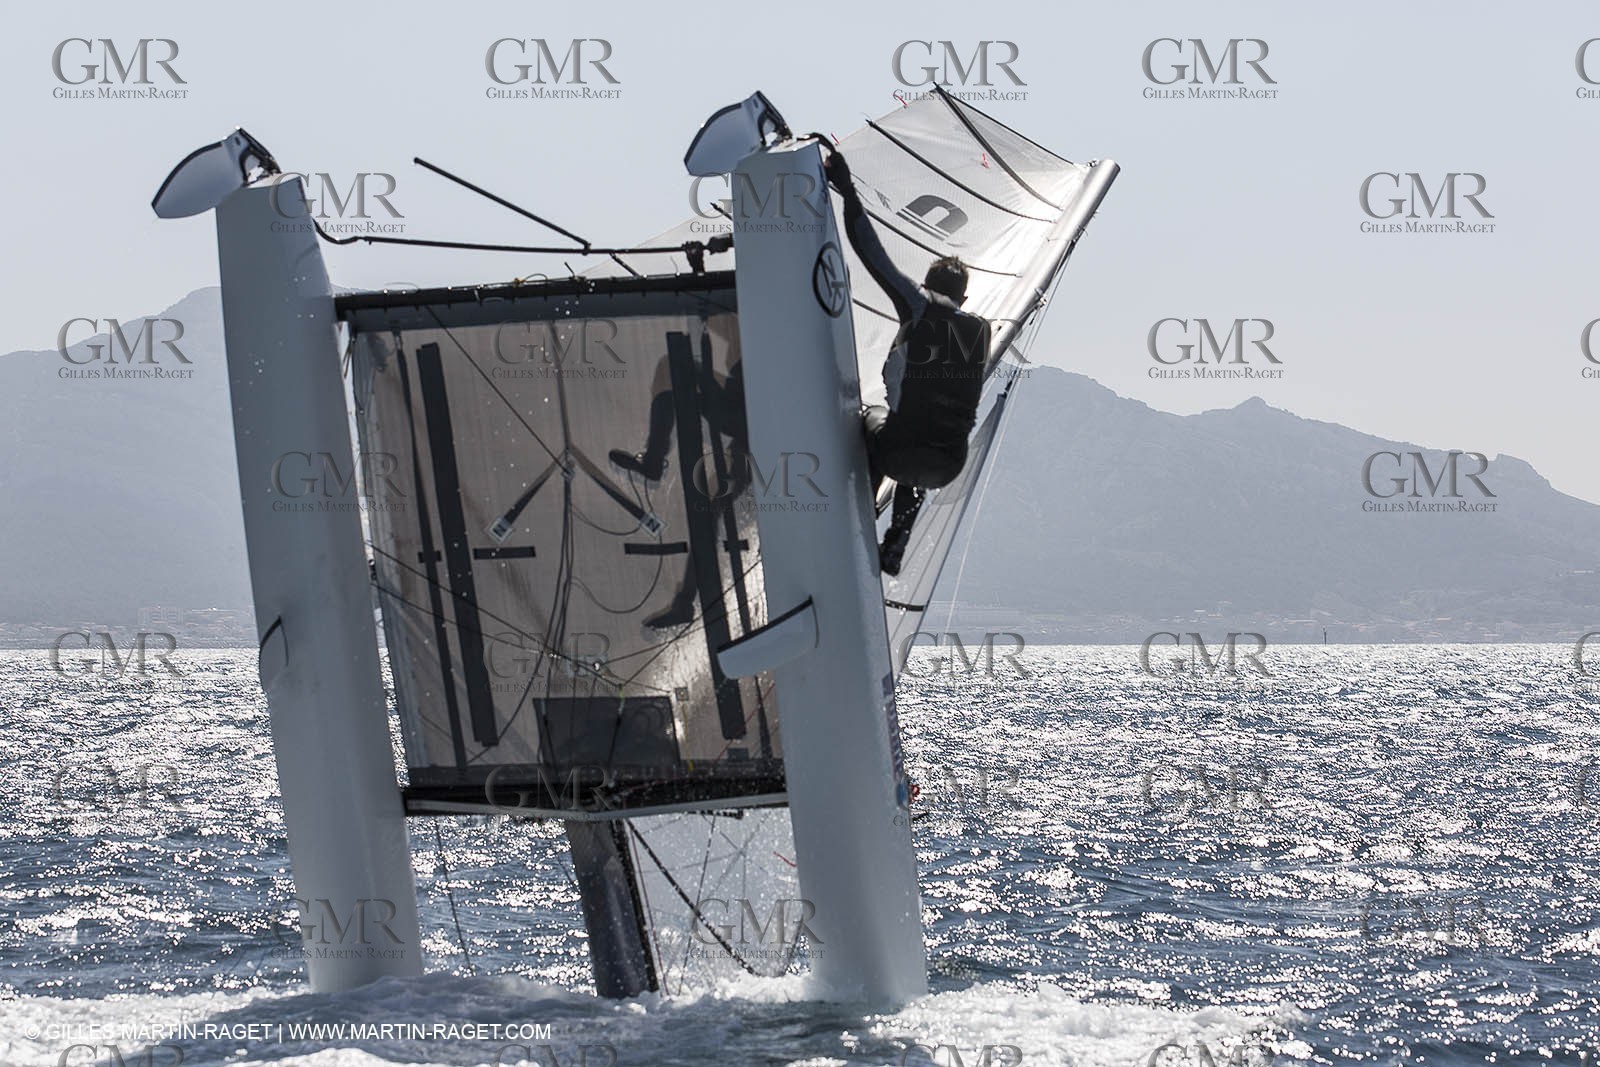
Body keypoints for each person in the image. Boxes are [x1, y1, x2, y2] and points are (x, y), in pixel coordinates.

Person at [824, 150, 990, 575]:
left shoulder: (919, 307)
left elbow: (871, 252)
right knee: (924, 436)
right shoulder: (982, 330)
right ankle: (896, 543)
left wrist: (847, 191)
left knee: (873, 417)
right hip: (947, 466)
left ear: (926, 286)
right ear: (964, 298)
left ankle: (856, 521)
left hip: (900, 453)